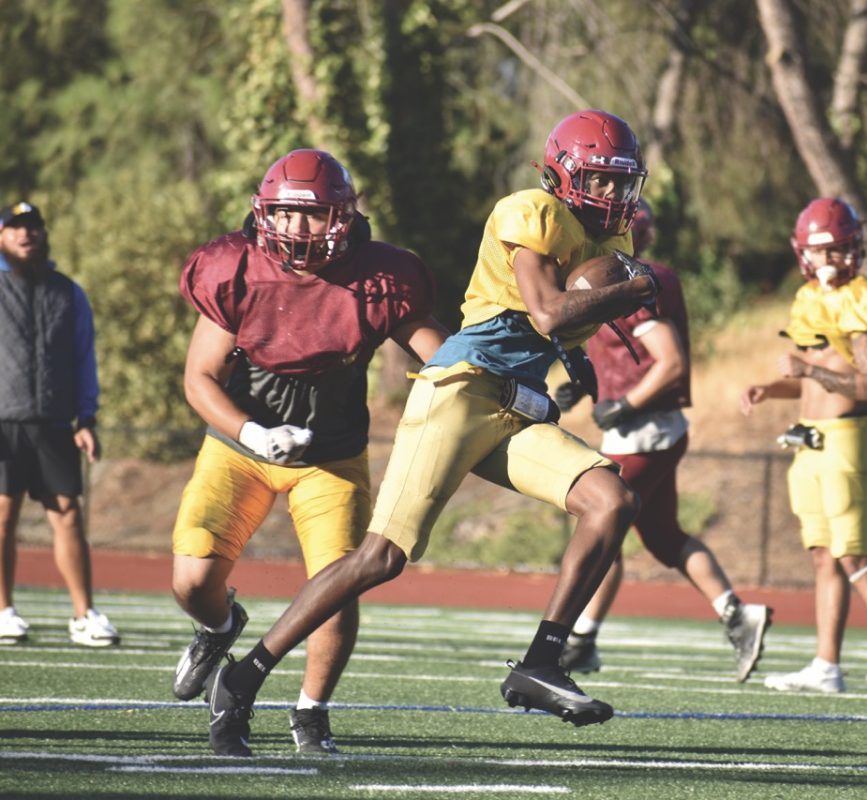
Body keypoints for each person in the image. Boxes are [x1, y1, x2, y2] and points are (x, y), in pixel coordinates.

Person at [200, 109, 658, 757]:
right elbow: (550, 311)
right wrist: (634, 290)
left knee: (611, 501)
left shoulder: (616, 251)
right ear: (560, 173)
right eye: (597, 180)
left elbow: (570, 336)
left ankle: (541, 662)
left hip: (511, 402)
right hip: (460, 387)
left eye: (620, 183)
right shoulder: (532, 209)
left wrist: (573, 369)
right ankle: (242, 677)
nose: (610, 196)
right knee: (382, 557)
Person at [169, 149, 448, 754]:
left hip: (332, 453)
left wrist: (498, 372)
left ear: (343, 218)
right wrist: (252, 434)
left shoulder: (381, 277)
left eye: (315, 216)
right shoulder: (235, 269)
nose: (298, 230)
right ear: (263, 213)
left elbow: (445, 356)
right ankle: (220, 627)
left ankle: (310, 711)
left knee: (336, 586)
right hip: (240, 445)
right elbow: (199, 378)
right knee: (192, 579)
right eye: (286, 216)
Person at [554, 200, 771, 682]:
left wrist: (626, 403)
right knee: (663, 537)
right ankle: (737, 614)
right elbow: (630, 356)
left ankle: (579, 640)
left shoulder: (626, 281)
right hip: (656, 428)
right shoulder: (642, 275)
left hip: (643, 431)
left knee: (599, 527)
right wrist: (592, 386)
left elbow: (669, 361)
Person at [740, 197, 867, 696]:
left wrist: (805, 370)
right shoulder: (805, 300)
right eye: (821, 252)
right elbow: (810, 384)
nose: (829, 262)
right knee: (824, 557)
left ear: (855, 251)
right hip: (808, 443)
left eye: (839, 251)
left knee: (853, 556)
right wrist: (769, 389)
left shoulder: (866, 297)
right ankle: (826, 666)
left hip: (846, 442)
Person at [0, 201, 120, 648]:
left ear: (43, 234)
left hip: (54, 423)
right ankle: (4, 611)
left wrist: (86, 417)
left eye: (32, 227)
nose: (25, 235)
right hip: (3, 422)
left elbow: (84, 358)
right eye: (15, 229)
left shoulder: (68, 293)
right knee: (3, 517)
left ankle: (84, 614)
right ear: (2, 237)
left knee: (68, 515)